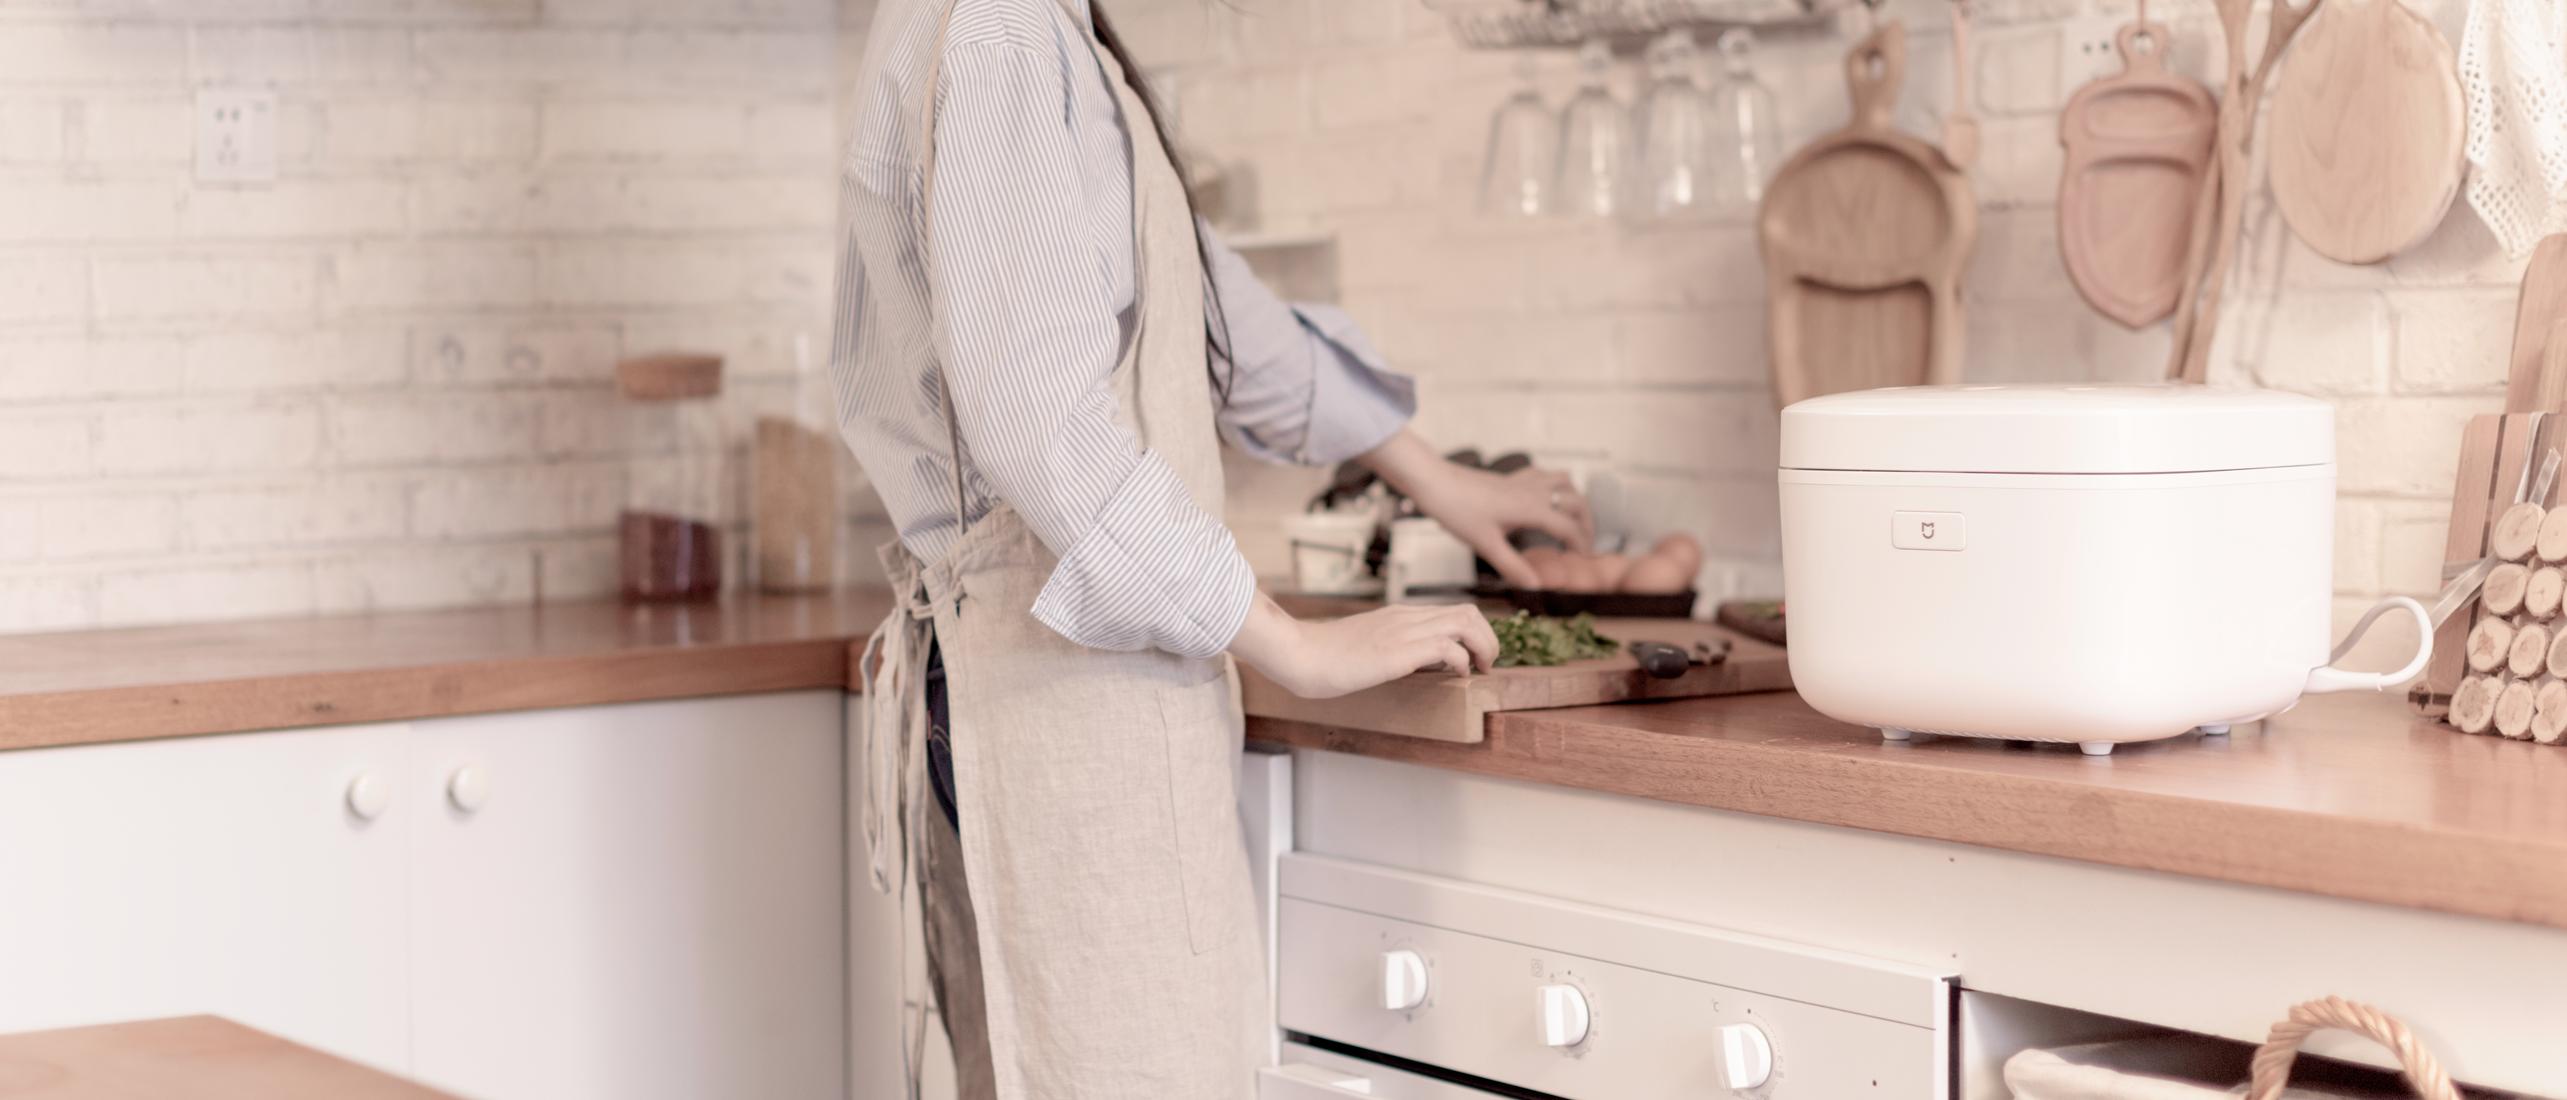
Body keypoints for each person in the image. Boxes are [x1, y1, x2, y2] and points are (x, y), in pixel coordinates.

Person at [830, 0, 1595, 1095]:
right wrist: (1295, 643)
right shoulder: (1000, 33)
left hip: (1095, 693)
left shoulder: (1041, 28)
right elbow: (1042, 426)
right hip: (1054, 691)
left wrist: (1434, 477)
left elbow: (1203, 298)